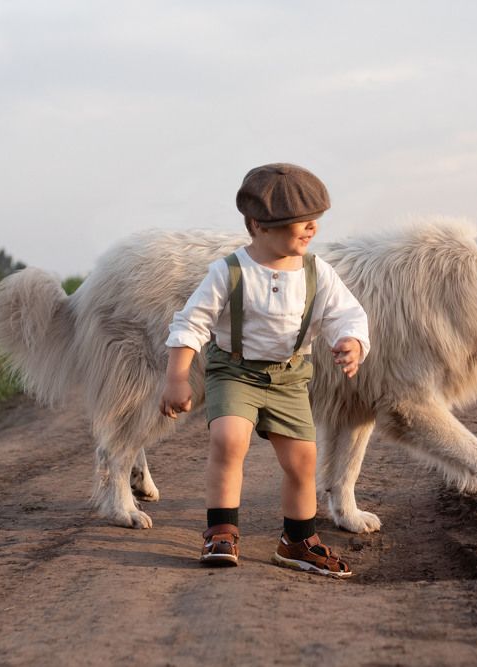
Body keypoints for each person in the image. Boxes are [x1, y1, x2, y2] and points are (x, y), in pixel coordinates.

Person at [159, 163, 370, 578]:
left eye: (315, 222)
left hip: (290, 378)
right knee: (228, 439)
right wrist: (177, 377)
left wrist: (352, 342)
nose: (311, 230)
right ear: (258, 226)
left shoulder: (316, 272)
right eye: (299, 224)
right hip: (234, 372)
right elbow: (191, 323)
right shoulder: (228, 272)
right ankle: (221, 531)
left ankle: (297, 540)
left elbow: (347, 314)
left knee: (303, 460)